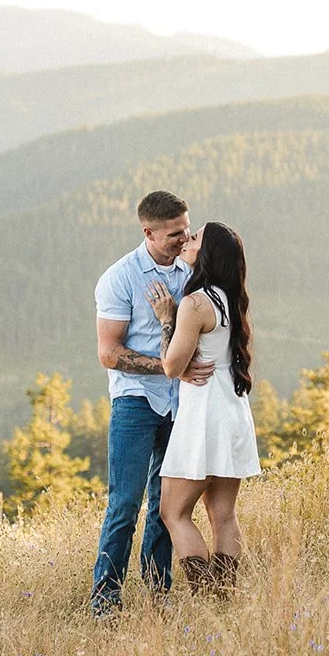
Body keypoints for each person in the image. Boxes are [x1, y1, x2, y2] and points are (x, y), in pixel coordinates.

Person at [91, 191, 214, 615]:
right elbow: (109, 353)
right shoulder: (120, 278)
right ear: (149, 232)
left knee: (167, 502)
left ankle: (158, 595)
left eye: (187, 229)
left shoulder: (191, 270)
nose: (185, 239)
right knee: (124, 503)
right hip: (135, 401)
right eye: (175, 234)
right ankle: (105, 600)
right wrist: (170, 368)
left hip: (182, 404)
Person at [148, 221, 260, 597]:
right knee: (223, 514)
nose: (188, 239)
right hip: (232, 410)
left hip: (203, 415)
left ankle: (205, 594)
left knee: (173, 512)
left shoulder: (196, 304)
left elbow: (171, 366)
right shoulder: (233, 299)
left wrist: (167, 318)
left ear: (206, 253)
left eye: (195, 238)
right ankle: (224, 597)